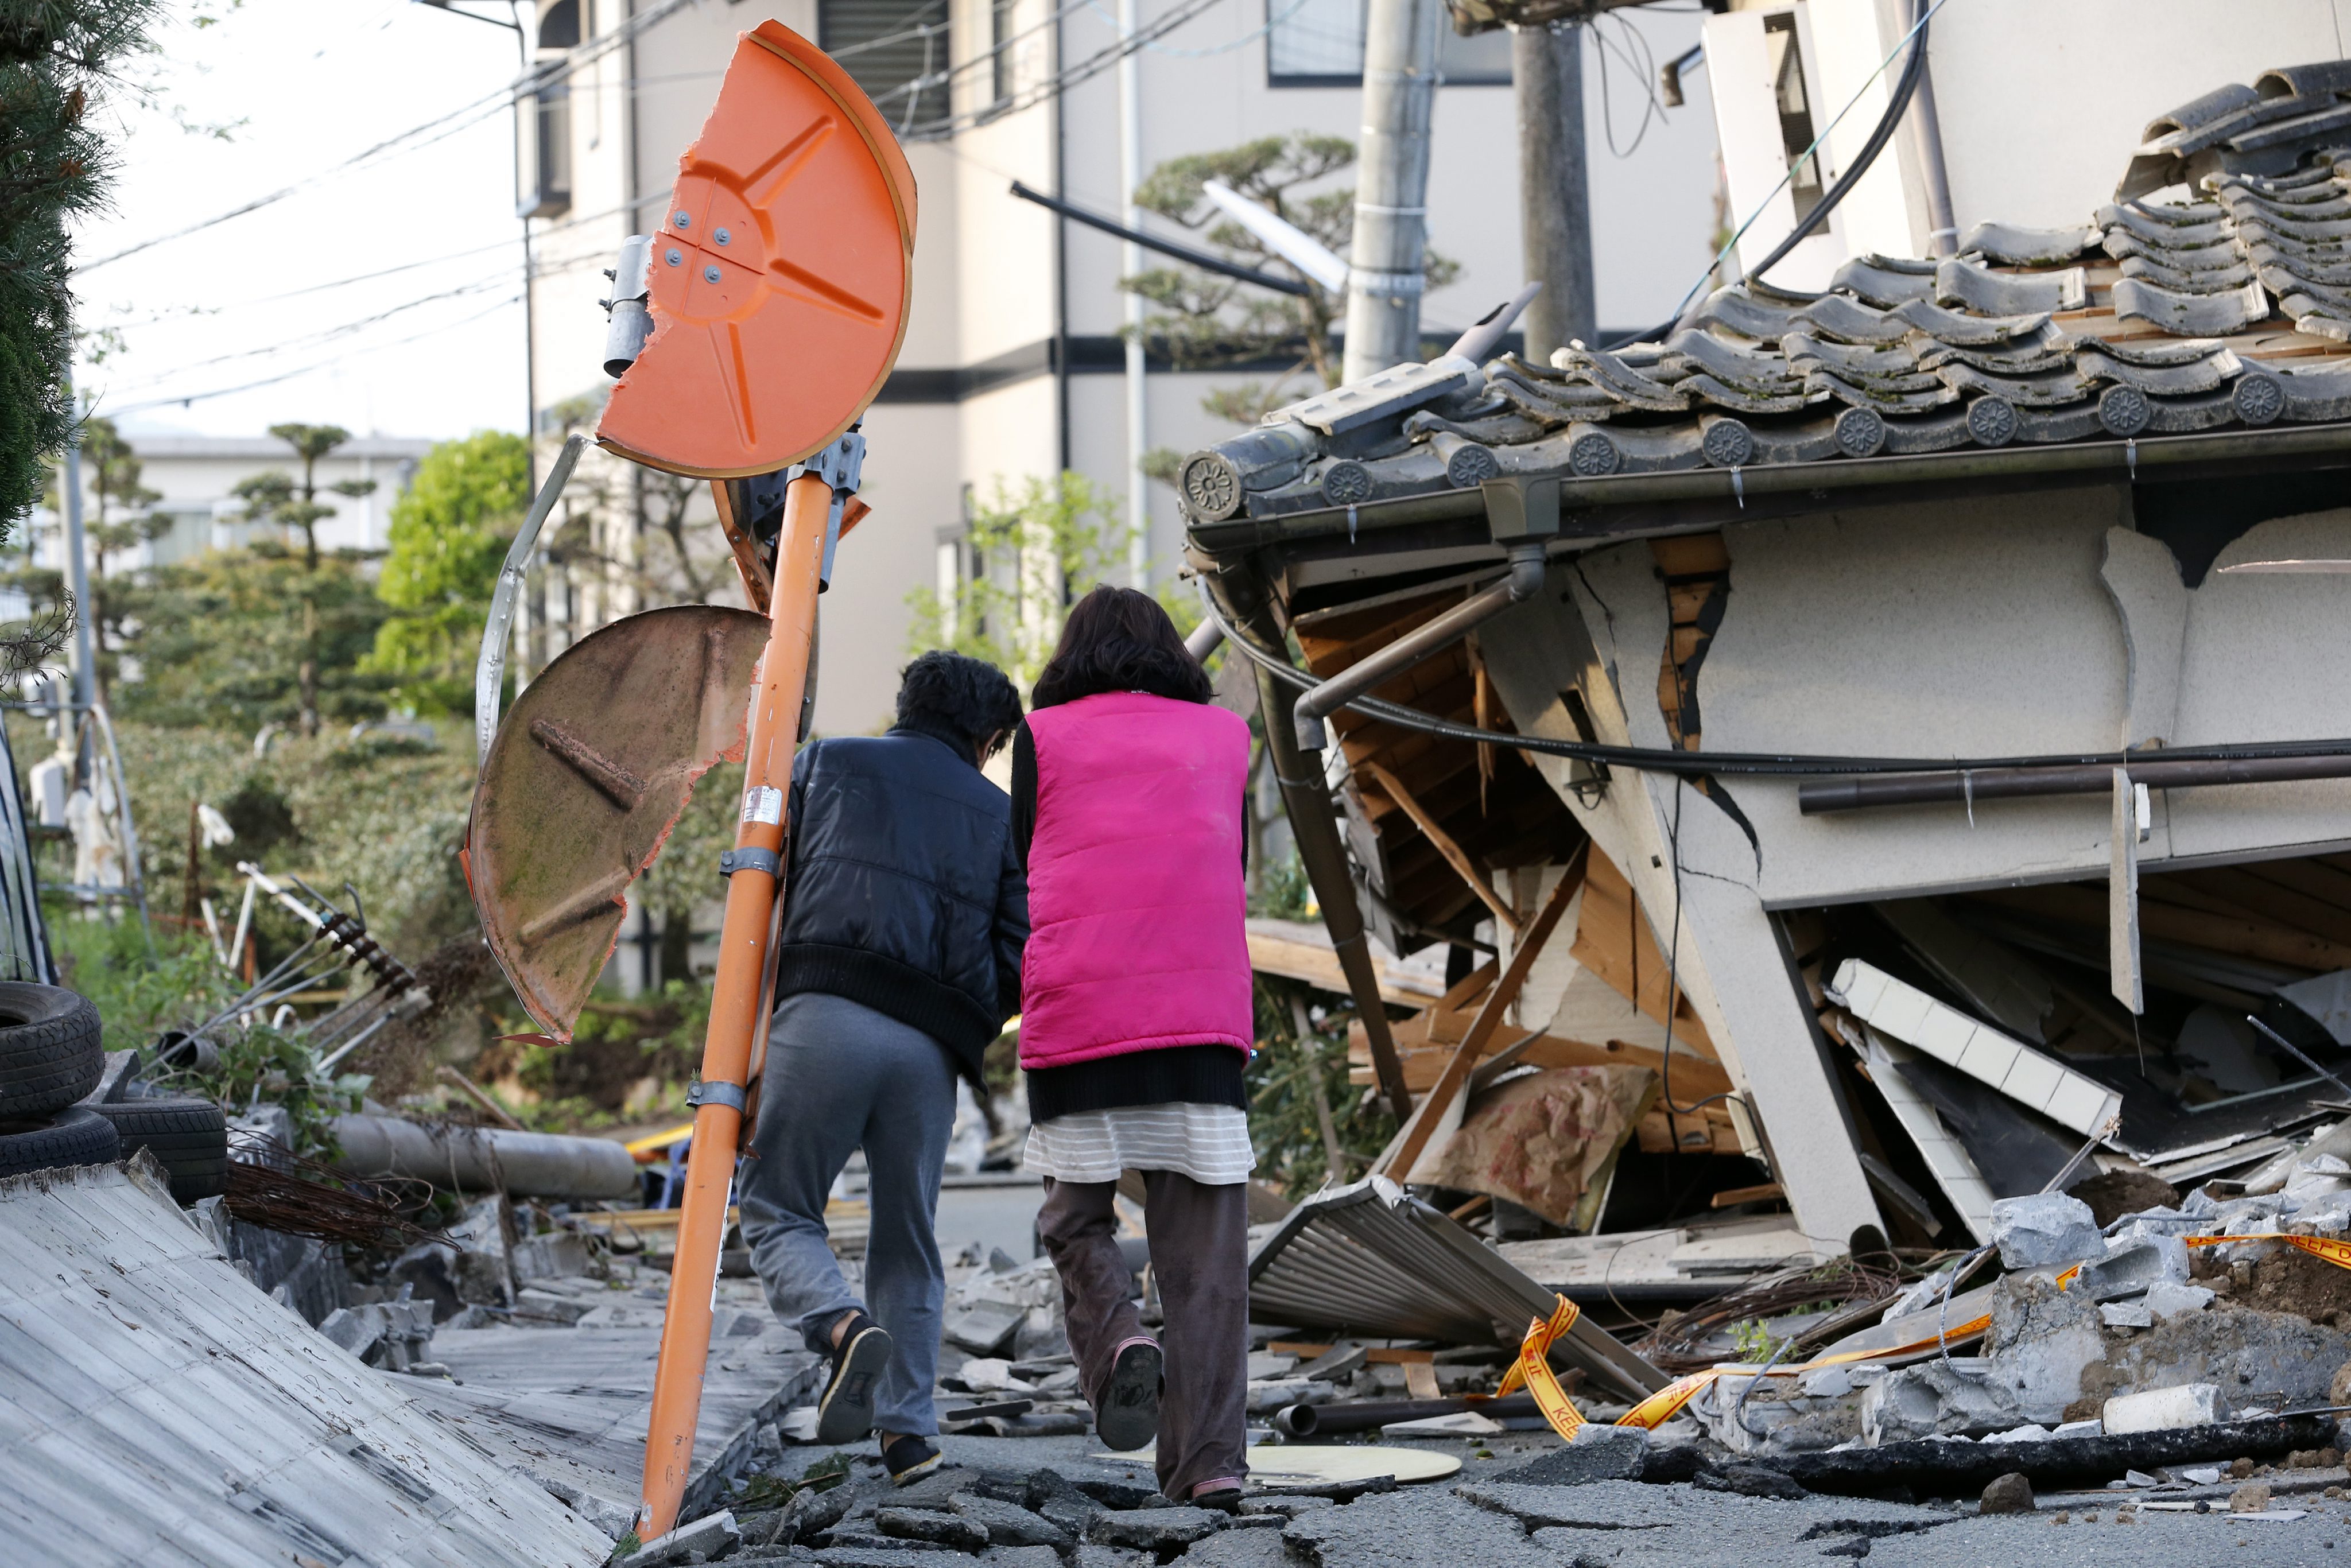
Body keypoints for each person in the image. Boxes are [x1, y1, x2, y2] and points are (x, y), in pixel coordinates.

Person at [736, 650, 1028, 1486]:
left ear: (907, 705)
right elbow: (1020, 945)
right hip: (928, 1049)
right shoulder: (996, 811)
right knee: (909, 1240)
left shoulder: (828, 763)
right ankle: (909, 1436)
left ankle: (839, 1327)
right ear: (987, 735)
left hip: (824, 1011)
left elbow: (760, 880)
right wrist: (962, 1020)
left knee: (779, 1207)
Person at [1012, 586, 1255, 1507]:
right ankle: (1211, 1468)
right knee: (1206, 1262)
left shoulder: (1045, 737)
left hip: (1081, 1021)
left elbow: (1025, 857)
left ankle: (1118, 1339)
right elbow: (1226, 862)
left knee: (1075, 1217)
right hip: (1201, 1021)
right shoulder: (1226, 737)